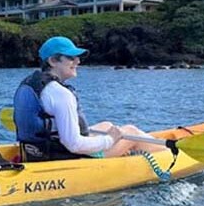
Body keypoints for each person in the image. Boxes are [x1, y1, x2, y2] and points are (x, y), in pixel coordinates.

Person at [13, 36, 166, 162]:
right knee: (131, 132)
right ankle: (173, 156)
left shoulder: (29, 84)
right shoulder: (61, 94)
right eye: (71, 58)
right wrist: (111, 140)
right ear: (53, 61)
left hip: (36, 151)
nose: (77, 62)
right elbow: (73, 144)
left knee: (107, 125)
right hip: (65, 157)